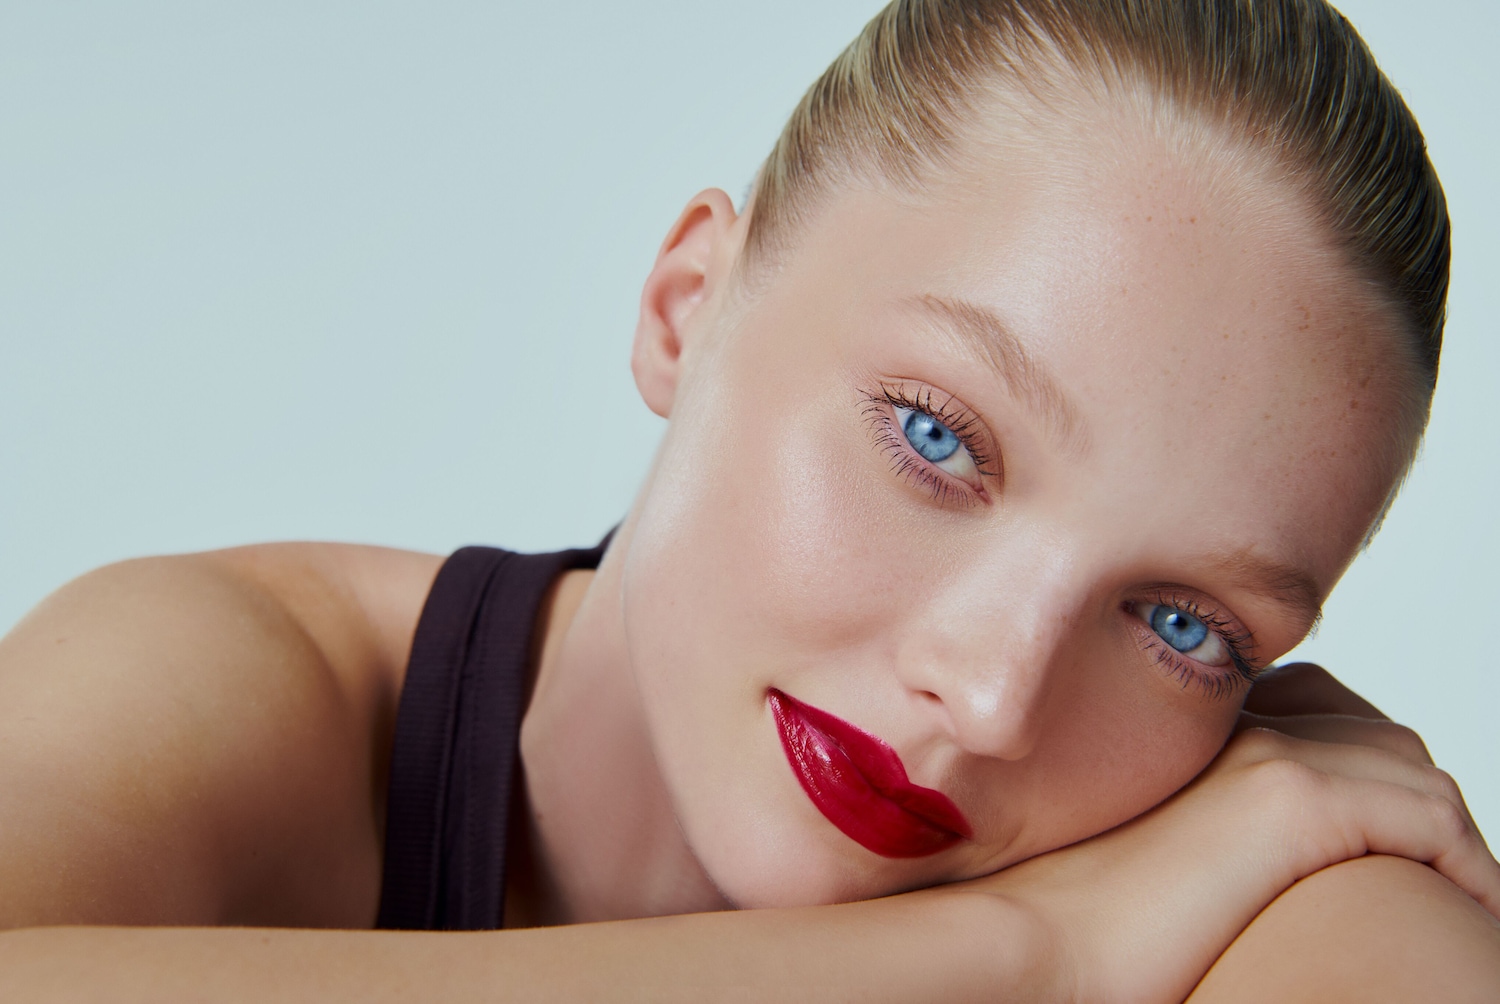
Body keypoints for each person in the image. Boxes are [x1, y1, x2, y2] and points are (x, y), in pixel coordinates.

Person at [1, 0, 1497, 999]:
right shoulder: (244, 681)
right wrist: (1026, 953)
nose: (987, 695)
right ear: (686, 305)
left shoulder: (1265, 855)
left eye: (1181, 622)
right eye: (933, 435)